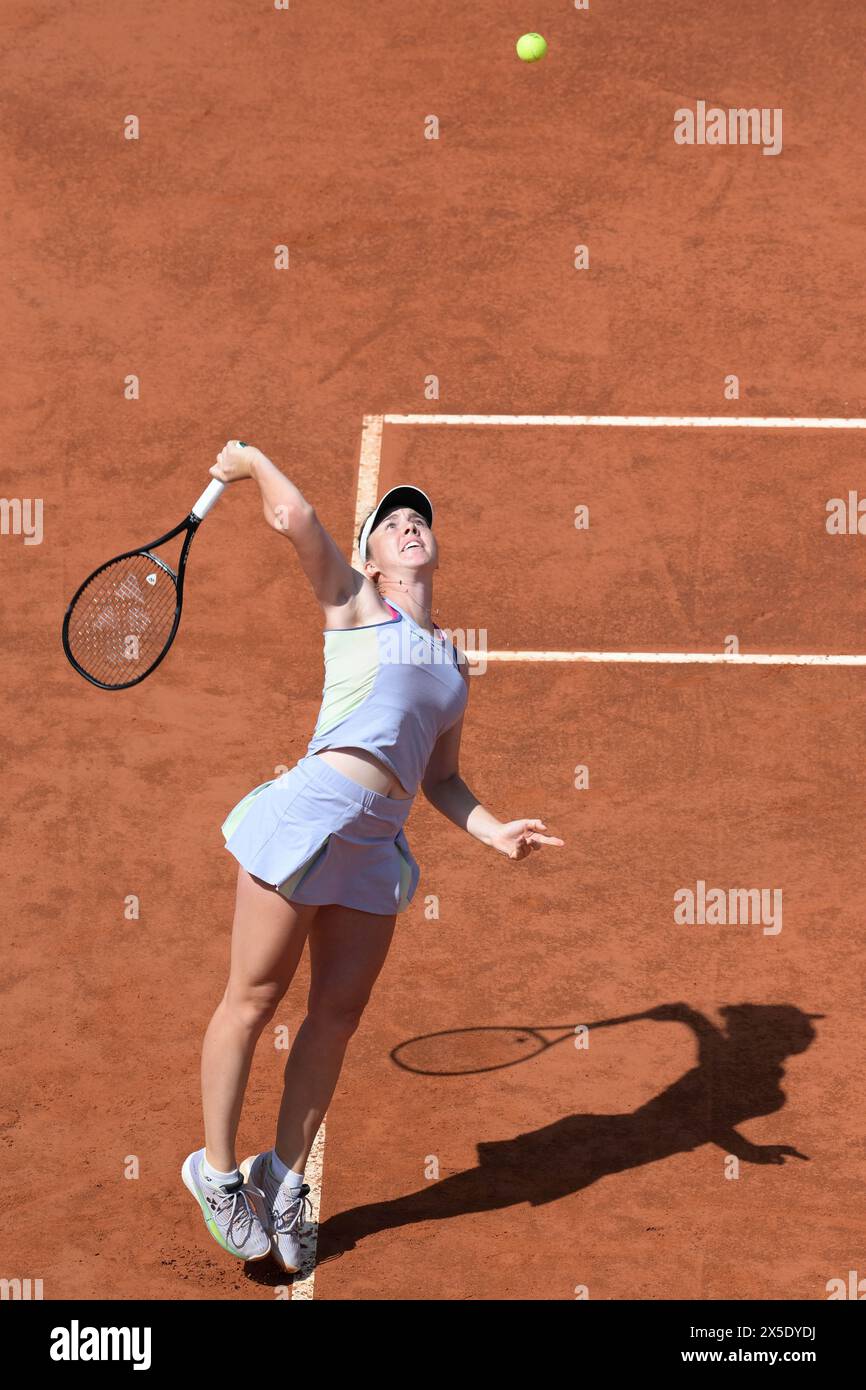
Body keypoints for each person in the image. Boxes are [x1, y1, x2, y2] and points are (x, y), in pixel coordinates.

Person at [181, 439, 565, 1272]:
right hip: (309, 819)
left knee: (337, 1017)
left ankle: (280, 1179)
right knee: (253, 1000)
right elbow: (294, 518)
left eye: (418, 519)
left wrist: (492, 829)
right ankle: (214, 1173)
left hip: (375, 846)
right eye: (391, 523)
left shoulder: (453, 663)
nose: (408, 526)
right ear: (371, 559)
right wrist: (248, 458)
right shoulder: (354, 605)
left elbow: (444, 776)